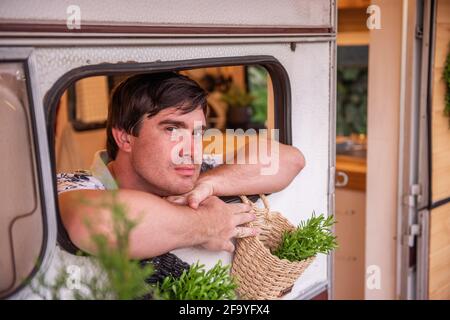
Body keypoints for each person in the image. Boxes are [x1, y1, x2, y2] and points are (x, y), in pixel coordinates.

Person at [57, 72, 305, 259]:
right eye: (172, 129)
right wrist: (206, 224)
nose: (191, 150)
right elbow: (95, 223)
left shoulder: (198, 170)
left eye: (198, 133)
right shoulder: (74, 183)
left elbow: (289, 160)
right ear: (124, 137)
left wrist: (210, 182)